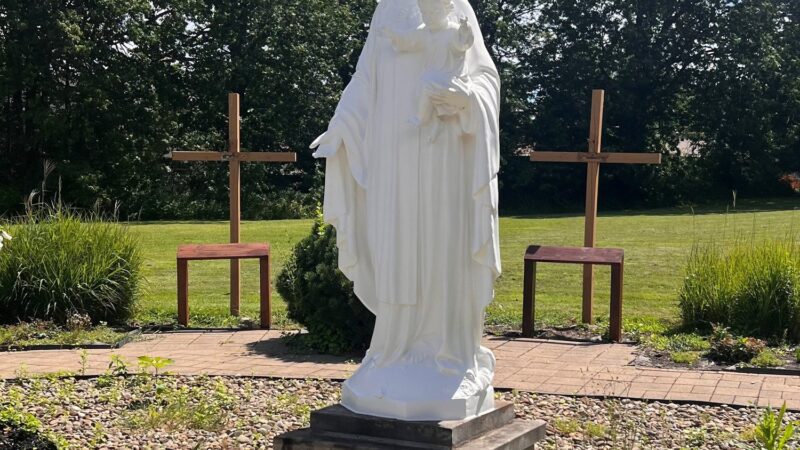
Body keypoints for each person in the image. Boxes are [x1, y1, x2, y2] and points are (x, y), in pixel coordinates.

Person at [310, 0, 501, 421]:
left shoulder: (457, 8)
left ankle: (449, 357)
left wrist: (465, 98)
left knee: (440, 247)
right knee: (397, 248)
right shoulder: (388, 11)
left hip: (445, 163)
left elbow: (486, 79)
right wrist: (342, 127)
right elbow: (365, 82)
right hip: (394, 165)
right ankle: (394, 353)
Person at [382, 0, 475, 142]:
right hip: (434, 77)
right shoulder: (424, 32)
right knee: (424, 88)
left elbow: (463, 44)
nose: (429, 17)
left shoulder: (453, 31)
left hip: (451, 79)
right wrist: (392, 34)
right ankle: (436, 124)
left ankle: (421, 118)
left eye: (435, 12)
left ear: (447, 10)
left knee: (426, 85)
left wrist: (464, 29)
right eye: (425, 13)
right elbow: (408, 39)